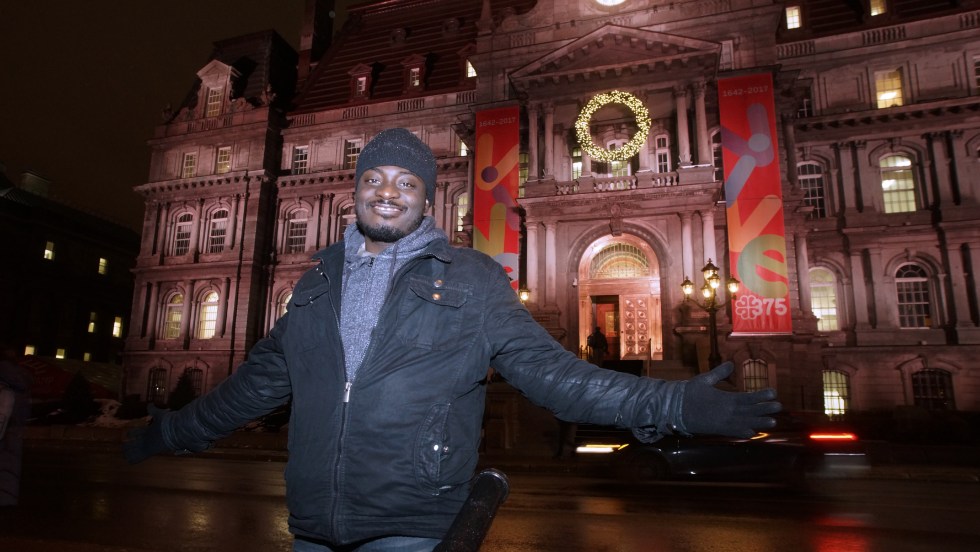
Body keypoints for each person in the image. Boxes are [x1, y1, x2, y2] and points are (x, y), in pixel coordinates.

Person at [124, 128, 781, 551]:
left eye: (407, 183)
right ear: (354, 194)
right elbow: (256, 384)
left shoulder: (468, 280)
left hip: (414, 530)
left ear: (428, 202)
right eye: (375, 180)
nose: (388, 195)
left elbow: (551, 375)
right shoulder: (316, 285)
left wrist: (669, 407)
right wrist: (174, 431)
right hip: (314, 532)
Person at [0, 341, 31, 507]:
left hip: (7, 428)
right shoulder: (21, 380)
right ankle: (7, 499)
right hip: (16, 428)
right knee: (10, 466)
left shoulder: (5, 389)